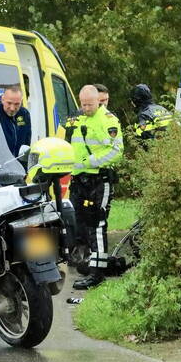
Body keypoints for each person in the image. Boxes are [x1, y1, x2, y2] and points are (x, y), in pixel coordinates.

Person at [67, 85, 123, 289]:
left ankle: (97, 273)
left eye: (89, 104)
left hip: (99, 180)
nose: (86, 108)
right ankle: (90, 264)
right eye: (82, 104)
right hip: (80, 180)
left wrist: (89, 162)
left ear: (98, 101)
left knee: (97, 225)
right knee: (81, 223)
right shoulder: (79, 118)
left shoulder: (107, 120)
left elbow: (116, 151)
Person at [0, 85, 31, 159]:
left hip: (18, 163)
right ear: (2, 99)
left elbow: (27, 141)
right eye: (9, 103)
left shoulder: (24, 114)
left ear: (21, 101)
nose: (12, 108)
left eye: (17, 104)